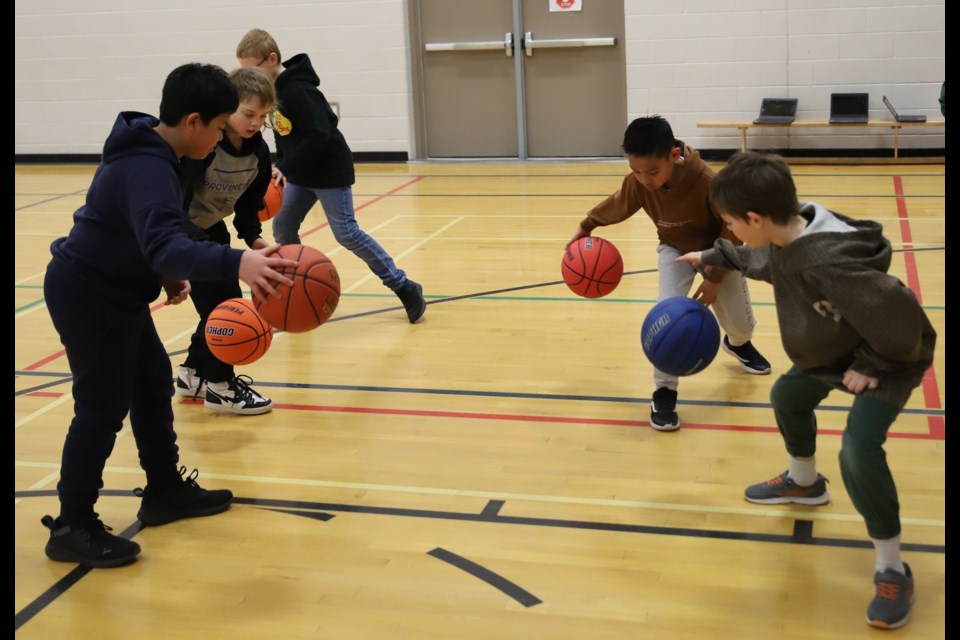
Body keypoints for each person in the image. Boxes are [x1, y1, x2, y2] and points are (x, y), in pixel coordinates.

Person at [41, 63, 298, 568]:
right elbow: (161, 240)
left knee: (152, 384)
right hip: (89, 293)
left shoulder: (166, 154)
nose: (224, 136)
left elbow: (149, 232)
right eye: (221, 125)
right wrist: (237, 260)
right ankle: (72, 524)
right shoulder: (148, 163)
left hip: (116, 289)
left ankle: (163, 490)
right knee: (101, 407)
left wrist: (162, 273)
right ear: (195, 120)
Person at [675, 151, 936, 630]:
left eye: (731, 222)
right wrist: (712, 255)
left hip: (889, 359)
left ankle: (892, 567)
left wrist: (872, 364)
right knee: (788, 397)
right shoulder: (788, 231)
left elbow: (901, 318)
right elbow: (759, 258)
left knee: (858, 453)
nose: (729, 229)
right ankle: (804, 482)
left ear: (755, 218)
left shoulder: (828, 263)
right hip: (839, 350)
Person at [568, 116, 771, 432]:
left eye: (652, 172)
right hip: (675, 251)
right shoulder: (639, 181)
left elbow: (732, 228)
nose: (644, 180)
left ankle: (738, 343)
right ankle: (664, 390)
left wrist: (714, 276)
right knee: (667, 316)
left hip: (717, 250)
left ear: (674, 155)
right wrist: (587, 225)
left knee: (741, 326)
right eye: (636, 171)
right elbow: (619, 204)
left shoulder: (706, 181)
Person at [235, 28, 427, 323]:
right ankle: (296, 290)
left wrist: (285, 166)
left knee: (346, 233)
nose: (252, 77)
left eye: (254, 69)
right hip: (300, 174)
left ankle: (403, 285)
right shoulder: (271, 93)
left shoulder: (299, 90)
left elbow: (319, 133)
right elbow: (284, 136)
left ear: (272, 59)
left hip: (328, 171)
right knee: (284, 227)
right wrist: (281, 167)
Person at [176, 67, 278, 415]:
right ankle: (220, 386)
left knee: (215, 310)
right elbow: (178, 202)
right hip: (185, 234)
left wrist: (255, 239)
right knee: (229, 310)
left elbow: (249, 206)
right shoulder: (205, 146)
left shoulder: (259, 152)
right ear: (228, 108)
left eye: (262, 117)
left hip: (213, 228)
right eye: (248, 114)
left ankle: (192, 373)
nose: (255, 122)